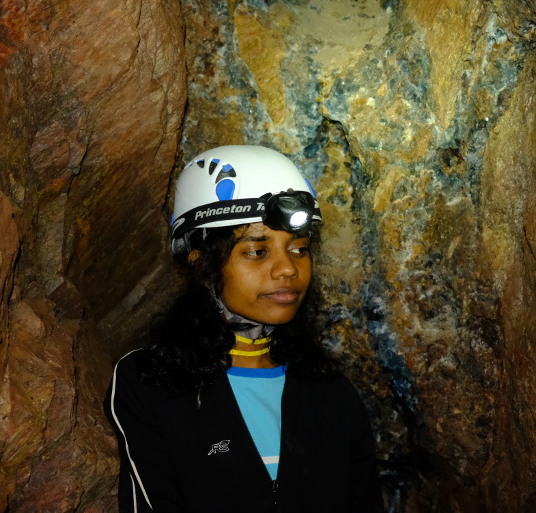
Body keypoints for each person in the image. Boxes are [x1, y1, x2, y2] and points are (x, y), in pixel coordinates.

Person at [107, 144, 383, 513]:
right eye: (257, 251)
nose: (288, 269)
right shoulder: (151, 383)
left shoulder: (331, 394)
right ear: (202, 263)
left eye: (299, 249)